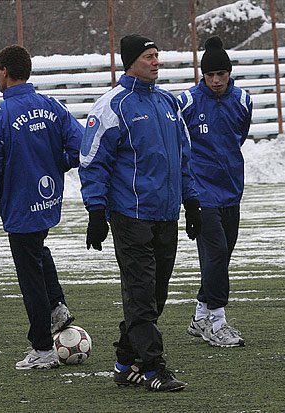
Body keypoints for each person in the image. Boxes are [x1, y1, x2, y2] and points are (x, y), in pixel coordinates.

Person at [79, 34, 201, 392]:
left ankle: (124, 360)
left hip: (166, 214)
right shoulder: (112, 106)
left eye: (157, 56)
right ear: (131, 60)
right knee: (141, 291)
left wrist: (191, 200)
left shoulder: (168, 104)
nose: (156, 62)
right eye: (149, 56)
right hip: (130, 215)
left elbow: (184, 158)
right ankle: (152, 368)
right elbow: (92, 163)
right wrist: (96, 211)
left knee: (155, 292)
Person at [0, 45, 82, 369]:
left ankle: (43, 349)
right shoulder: (53, 106)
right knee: (38, 250)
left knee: (29, 276)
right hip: (47, 203)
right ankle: (57, 308)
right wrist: (57, 163)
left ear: (4, 72)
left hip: (21, 207)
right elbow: (80, 146)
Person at [177, 35, 252, 348]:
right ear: (203, 75)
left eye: (221, 74)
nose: (217, 80)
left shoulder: (243, 100)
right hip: (201, 191)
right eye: (211, 75)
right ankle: (217, 322)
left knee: (221, 256)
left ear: (229, 73)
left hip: (231, 189)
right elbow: (178, 141)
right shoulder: (188, 102)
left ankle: (199, 315)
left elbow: (240, 137)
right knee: (217, 252)